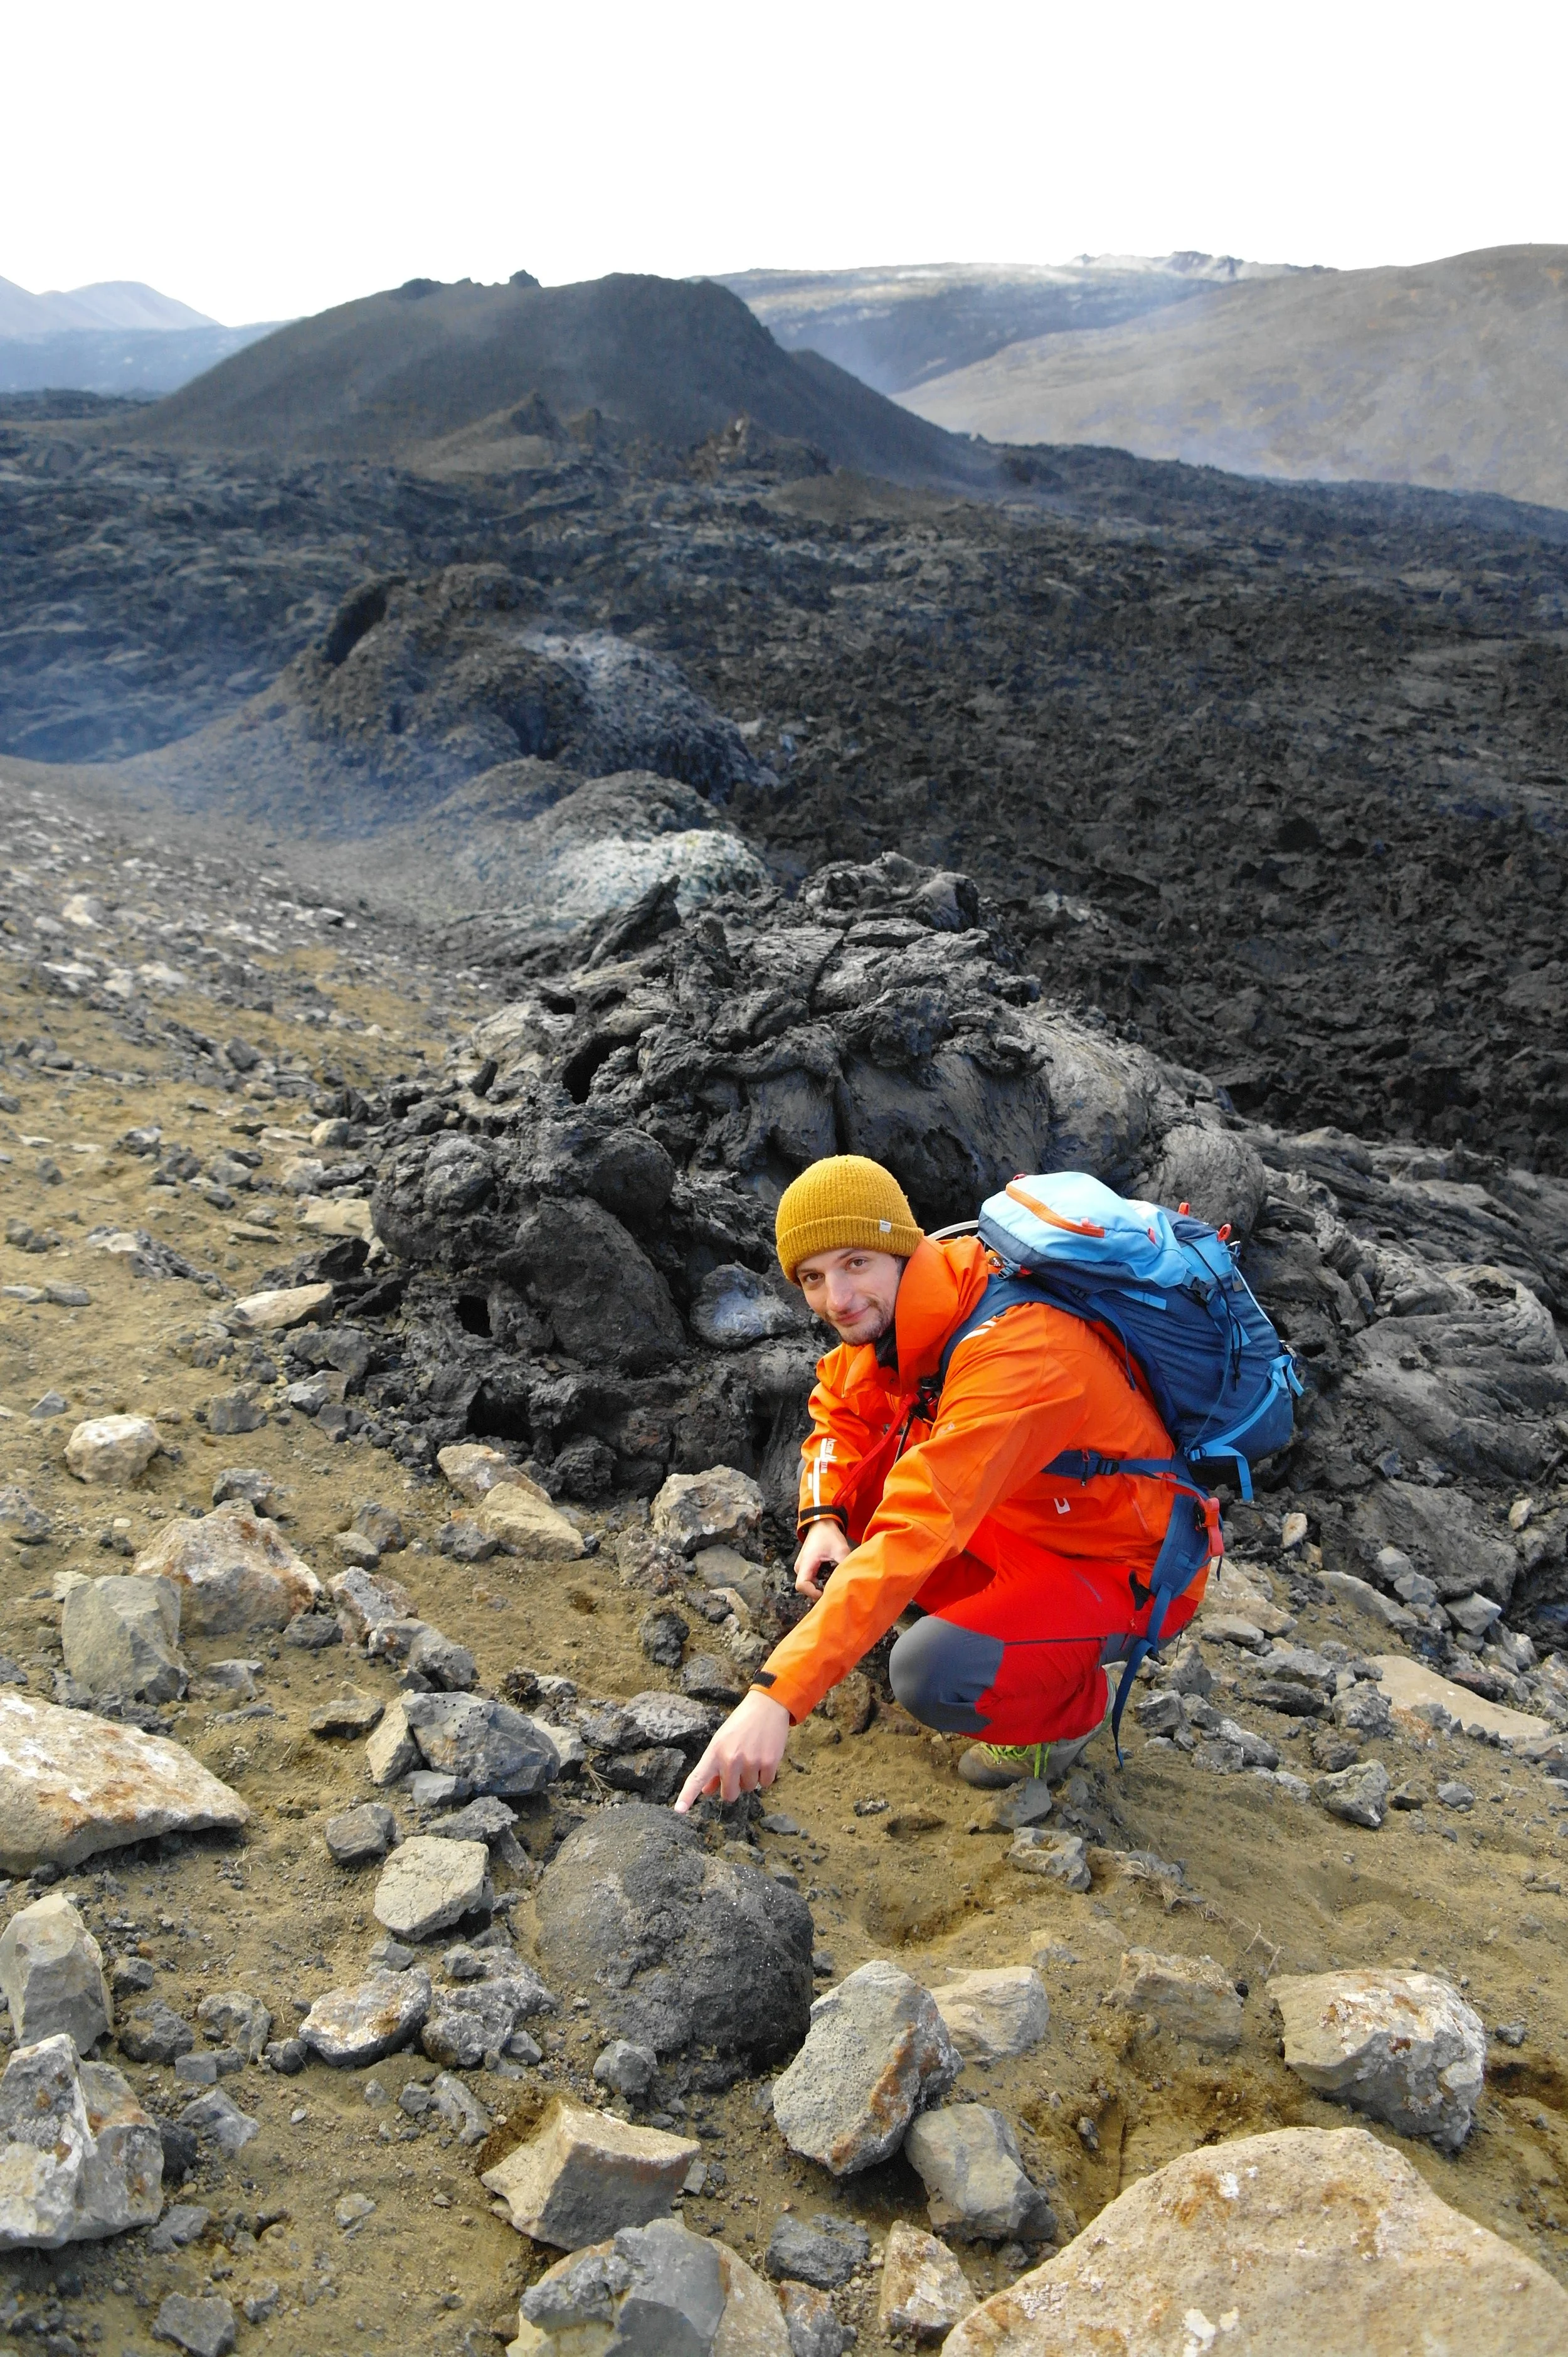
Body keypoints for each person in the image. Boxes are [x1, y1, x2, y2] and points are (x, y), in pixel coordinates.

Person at [674, 1152, 1211, 1814]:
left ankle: (1067, 1714)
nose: (835, 1300)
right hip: (1029, 1518)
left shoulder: (1018, 1350)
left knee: (931, 1671)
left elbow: (917, 1527)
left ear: (899, 1247)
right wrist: (823, 1519)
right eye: (811, 1277)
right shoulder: (913, 1309)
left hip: (1123, 1563)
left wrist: (775, 1698)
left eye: (855, 1263)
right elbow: (836, 1411)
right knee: (866, 1495)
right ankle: (1006, 1631)